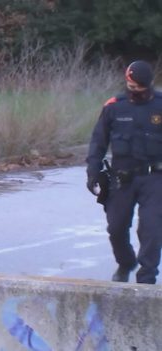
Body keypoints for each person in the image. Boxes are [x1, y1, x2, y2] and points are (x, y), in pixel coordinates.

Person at [86, 60, 162, 284]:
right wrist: (93, 171)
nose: (135, 93)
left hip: (154, 179)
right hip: (122, 178)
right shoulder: (113, 106)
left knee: (151, 230)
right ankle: (126, 262)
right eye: (131, 88)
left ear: (148, 85)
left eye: (139, 89)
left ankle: (146, 279)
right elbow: (98, 142)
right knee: (116, 227)